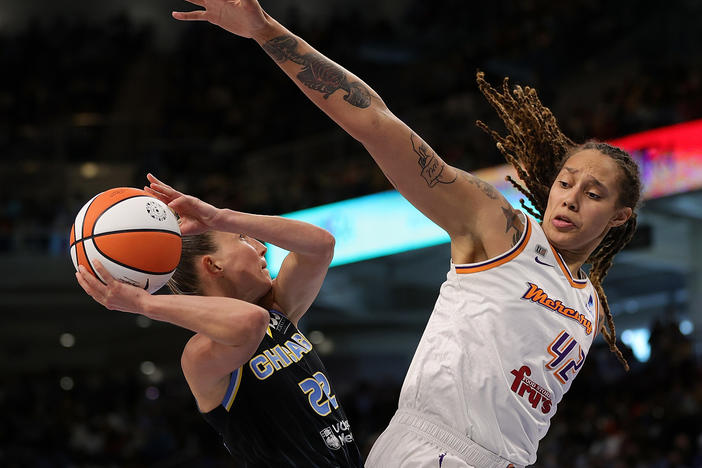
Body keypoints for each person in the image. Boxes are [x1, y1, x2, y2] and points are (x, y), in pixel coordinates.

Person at [172, 2, 642, 467]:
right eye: (565, 182)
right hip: (433, 449)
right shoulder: (500, 228)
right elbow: (375, 122)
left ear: (619, 217)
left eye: (594, 194)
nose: (571, 198)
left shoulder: (588, 300)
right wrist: (264, 29)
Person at [75, 174, 364, 467]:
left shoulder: (277, 308)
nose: (262, 247)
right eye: (241, 239)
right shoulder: (200, 354)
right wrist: (143, 303)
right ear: (214, 264)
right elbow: (250, 322)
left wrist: (220, 218)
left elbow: (321, 245)